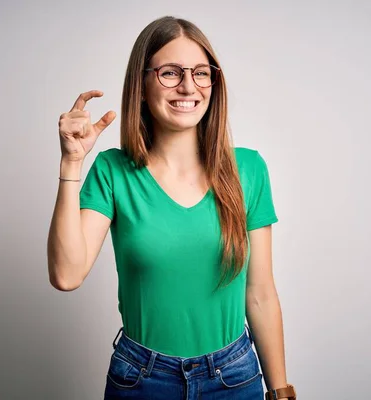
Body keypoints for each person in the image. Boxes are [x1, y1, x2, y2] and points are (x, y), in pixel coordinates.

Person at [47, 16, 296, 400]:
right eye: (169, 72)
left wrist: (281, 393)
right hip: (142, 379)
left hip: (234, 378)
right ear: (142, 86)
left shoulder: (248, 169)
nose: (188, 86)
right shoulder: (113, 171)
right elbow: (66, 274)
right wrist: (71, 164)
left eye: (200, 73)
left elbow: (260, 293)